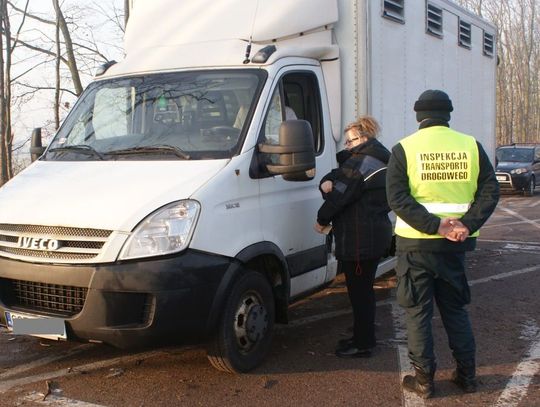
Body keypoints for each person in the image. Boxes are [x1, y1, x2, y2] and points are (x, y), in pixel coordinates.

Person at [386, 89, 499, 398]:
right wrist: (467, 223)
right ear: (448, 114)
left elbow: (397, 198)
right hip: (455, 246)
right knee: (455, 311)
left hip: (415, 245)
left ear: (418, 115)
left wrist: (434, 225)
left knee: (417, 313)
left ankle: (423, 381)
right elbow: (490, 191)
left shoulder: (404, 149)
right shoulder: (471, 146)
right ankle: (467, 375)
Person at [314, 116, 392, 358]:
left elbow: (341, 195)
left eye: (350, 141)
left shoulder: (362, 163)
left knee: (360, 294)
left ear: (364, 137)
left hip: (359, 240)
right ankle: (362, 333)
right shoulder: (376, 159)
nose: (347, 146)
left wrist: (321, 219)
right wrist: (327, 181)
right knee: (364, 290)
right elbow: (340, 178)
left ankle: (364, 343)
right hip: (371, 234)